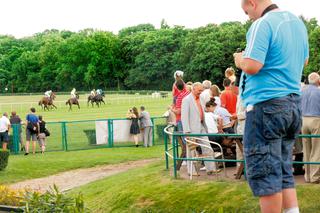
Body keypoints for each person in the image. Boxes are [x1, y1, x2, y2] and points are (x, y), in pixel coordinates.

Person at [233, 0, 309, 212]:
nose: (247, 15)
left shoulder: (262, 23)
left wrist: (239, 59)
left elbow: (252, 65)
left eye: (245, 10)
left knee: (266, 173)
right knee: (283, 169)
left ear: (252, 2)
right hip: (292, 105)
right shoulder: (298, 23)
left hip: (266, 107)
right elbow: (304, 61)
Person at [181, 82, 219, 175]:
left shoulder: (201, 98)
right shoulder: (186, 100)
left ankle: (211, 169)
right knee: (191, 151)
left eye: (202, 90)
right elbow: (184, 117)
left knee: (208, 147)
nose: (201, 92)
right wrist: (187, 131)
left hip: (202, 126)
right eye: (199, 90)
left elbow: (203, 110)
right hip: (191, 129)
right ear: (193, 89)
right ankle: (191, 171)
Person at [301, 72, 320, 183]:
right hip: (316, 120)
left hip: (303, 120)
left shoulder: (301, 91)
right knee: (316, 149)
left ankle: (307, 176)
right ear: (318, 81)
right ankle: (315, 177)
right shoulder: (318, 92)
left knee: (306, 149)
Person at [171, 79, 190, 170]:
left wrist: (171, 109)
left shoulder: (180, 97)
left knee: (184, 140)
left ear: (176, 87)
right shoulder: (188, 93)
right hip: (188, 120)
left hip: (181, 120)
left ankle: (187, 159)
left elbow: (178, 111)